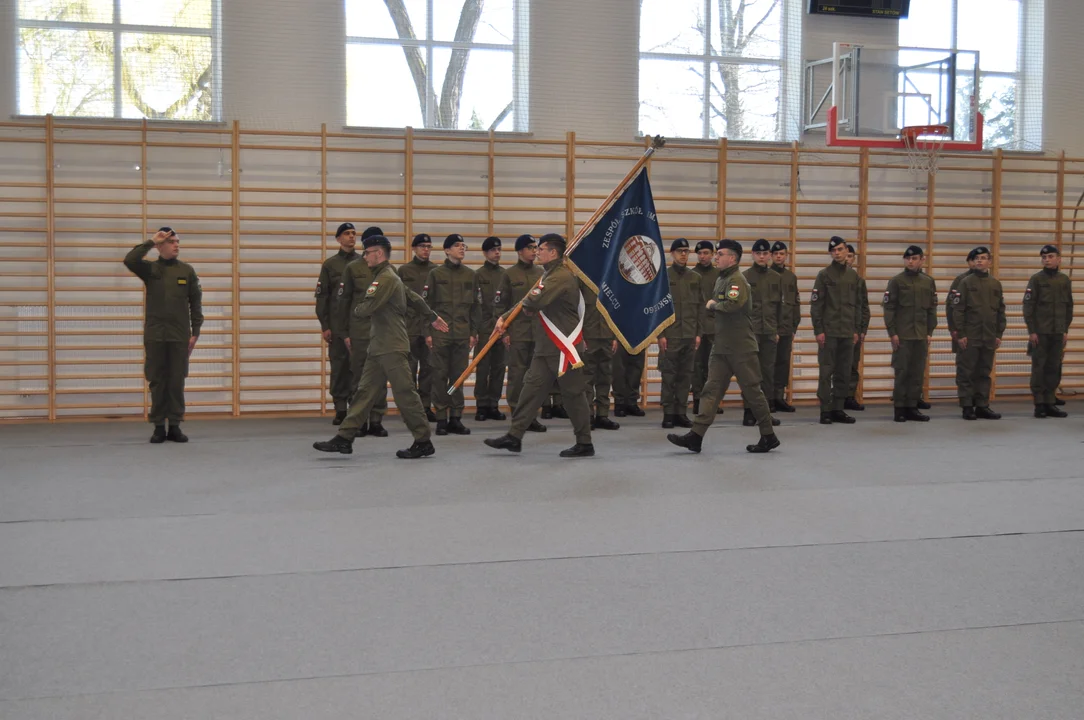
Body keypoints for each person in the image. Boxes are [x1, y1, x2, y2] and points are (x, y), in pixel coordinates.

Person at [313, 235, 449, 458]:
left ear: (378, 253)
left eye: (367, 252)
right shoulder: (390, 274)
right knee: (364, 392)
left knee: (405, 394)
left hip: (392, 346)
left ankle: (423, 440)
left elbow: (364, 309)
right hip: (380, 346)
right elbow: (413, 296)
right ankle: (344, 438)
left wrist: (359, 307)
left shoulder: (385, 278)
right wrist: (432, 315)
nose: (364, 257)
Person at [484, 234, 594, 457]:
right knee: (530, 391)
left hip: (564, 348)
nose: (537, 252)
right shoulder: (549, 274)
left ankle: (585, 443)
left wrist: (529, 306)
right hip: (546, 347)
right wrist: (505, 317)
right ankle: (515, 436)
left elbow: (534, 301)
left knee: (573, 396)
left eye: (541, 249)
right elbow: (529, 300)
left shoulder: (560, 276)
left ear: (553, 252)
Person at [668, 239, 780, 454]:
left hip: (741, 348)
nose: (716, 257)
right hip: (722, 347)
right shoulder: (723, 279)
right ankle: (696, 435)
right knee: (710, 391)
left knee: (753, 392)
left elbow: (733, 304)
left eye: (720, 254)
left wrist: (713, 305)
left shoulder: (737, 279)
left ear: (733, 258)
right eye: (716, 254)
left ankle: (768, 435)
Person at [124, 227, 203, 443]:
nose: (176, 245)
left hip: (179, 336)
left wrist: (195, 332)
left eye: (178, 242)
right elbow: (129, 260)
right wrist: (151, 240)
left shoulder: (186, 271)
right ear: (160, 246)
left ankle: (175, 425)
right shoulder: (150, 270)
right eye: (172, 242)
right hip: (155, 335)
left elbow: (196, 304)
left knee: (176, 381)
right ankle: (159, 426)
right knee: (157, 381)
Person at [335, 225, 390, 437]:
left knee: (379, 377)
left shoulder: (389, 270)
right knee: (359, 379)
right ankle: (359, 421)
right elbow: (343, 302)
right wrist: (345, 333)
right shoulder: (353, 268)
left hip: (383, 333)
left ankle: (376, 419)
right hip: (359, 332)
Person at [426, 233, 479, 435]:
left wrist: (473, 332)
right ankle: (441, 417)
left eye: (463, 245)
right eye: (457, 245)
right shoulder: (435, 274)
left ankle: (455, 417)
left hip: (462, 334)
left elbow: (476, 306)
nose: (462, 248)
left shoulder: (470, 275)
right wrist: (427, 333)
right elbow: (427, 306)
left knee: (458, 377)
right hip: (441, 334)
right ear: (447, 250)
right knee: (439, 376)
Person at [496, 234, 547, 432]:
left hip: (539, 333)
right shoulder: (509, 275)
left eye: (536, 247)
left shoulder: (542, 273)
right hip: (517, 334)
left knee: (535, 377)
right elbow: (500, 307)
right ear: (519, 251)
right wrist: (504, 333)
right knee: (517, 376)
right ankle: (518, 415)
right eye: (530, 248)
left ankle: (531, 416)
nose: (534, 251)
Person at [811, 236, 862, 424]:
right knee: (826, 372)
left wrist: (856, 329)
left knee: (844, 372)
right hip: (829, 332)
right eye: (834, 251)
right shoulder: (824, 275)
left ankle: (838, 408)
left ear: (847, 250)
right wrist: (819, 330)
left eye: (840, 249)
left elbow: (857, 305)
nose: (837, 253)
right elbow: (816, 306)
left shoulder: (853, 276)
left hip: (847, 332)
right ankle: (825, 409)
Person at [883, 246, 937, 422]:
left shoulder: (928, 281)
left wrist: (929, 331)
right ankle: (899, 408)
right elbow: (889, 309)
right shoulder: (896, 281)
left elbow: (931, 309)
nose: (911, 262)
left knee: (917, 373)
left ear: (922, 260)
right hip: (903, 335)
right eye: (908, 259)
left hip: (921, 335)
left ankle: (912, 407)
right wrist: (893, 333)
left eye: (914, 258)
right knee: (902, 372)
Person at [954, 246, 1006, 420]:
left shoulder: (995, 284)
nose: (979, 260)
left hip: (989, 335)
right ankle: (967, 406)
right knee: (967, 372)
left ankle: (982, 405)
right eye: (977, 258)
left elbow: (1000, 311)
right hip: (971, 335)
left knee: (984, 372)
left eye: (983, 258)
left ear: (989, 262)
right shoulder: (966, 282)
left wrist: (999, 333)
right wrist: (960, 334)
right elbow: (958, 310)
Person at [315, 222, 359, 424]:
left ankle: (356, 408)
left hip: (359, 326)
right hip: (337, 326)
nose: (351, 237)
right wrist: (325, 326)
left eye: (353, 233)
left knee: (357, 368)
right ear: (338, 239)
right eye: (347, 234)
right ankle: (340, 408)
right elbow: (322, 297)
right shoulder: (330, 265)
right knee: (340, 367)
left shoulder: (363, 263)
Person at [1023, 244, 1073, 418]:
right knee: (1039, 367)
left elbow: (1068, 306)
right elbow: (1028, 306)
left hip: (1058, 331)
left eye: (1051, 256)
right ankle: (1039, 404)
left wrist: (1065, 329)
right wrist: (1032, 331)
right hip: (1041, 332)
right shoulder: (1036, 279)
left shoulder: (1064, 280)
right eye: (1044, 257)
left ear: (1059, 259)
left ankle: (1050, 402)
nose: (1047, 260)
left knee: (1054, 367)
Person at [659, 238, 701, 429]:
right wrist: (660, 335)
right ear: (672, 253)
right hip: (671, 335)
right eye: (679, 251)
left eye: (686, 251)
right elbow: (658, 309)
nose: (683, 254)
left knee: (686, 376)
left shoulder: (695, 278)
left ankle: (681, 412)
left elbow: (700, 308)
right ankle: (668, 413)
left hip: (690, 334)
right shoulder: (663, 277)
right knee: (669, 376)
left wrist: (698, 333)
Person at [742, 239, 783, 426]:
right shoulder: (744, 277)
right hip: (750, 333)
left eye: (765, 253)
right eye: (758, 253)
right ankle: (749, 412)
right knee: (750, 374)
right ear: (752, 255)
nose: (761, 256)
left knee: (767, 374)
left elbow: (779, 308)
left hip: (769, 333)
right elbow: (739, 308)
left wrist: (777, 330)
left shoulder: (776, 278)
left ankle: (765, 414)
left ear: (769, 255)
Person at [397, 233, 437, 421]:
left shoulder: (437, 271)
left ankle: (426, 407)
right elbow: (397, 300)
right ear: (414, 248)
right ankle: (410, 410)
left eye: (428, 246)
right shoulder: (404, 271)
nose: (426, 249)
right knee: (409, 371)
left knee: (429, 369)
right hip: (409, 327)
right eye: (422, 246)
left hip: (429, 328)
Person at [473, 236, 509, 421]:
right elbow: (475, 304)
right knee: (483, 368)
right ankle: (481, 405)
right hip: (484, 328)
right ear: (485, 253)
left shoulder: (505, 274)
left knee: (498, 368)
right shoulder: (478, 275)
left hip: (501, 329)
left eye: (499, 249)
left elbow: (508, 303)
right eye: (494, 250)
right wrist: (476, 330)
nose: (497, 252)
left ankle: (493, 404)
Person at [578, 276, 620, 430]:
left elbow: (616, 309)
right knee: (587, 378)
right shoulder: (582, 279)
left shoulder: (610, 279)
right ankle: (588, 415)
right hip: (588, 335)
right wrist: (579, 335)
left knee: (605, 377)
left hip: (607, 336)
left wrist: (615, 336)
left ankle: (602, 415)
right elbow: (576, 309)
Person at [690, 240, 720, 415]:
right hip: (697, 327)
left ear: (713, 254)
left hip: (716, 328)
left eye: (706, 253)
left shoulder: (720, 275)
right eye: (700, 253)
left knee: (715, 367)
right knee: (697, 366)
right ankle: (697, 400)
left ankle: (712, 402)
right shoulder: (691, 274)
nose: (703, 256)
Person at [770, 241, 800, 412]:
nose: (779, 256)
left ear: (786, 255)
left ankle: (779, 396)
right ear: (771, 256)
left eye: (782, 253)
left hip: (787, 327)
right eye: (776, 254)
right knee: (769, 364)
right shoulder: (767, 275)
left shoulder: (791, 277)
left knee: (783, 363)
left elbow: (795, 302)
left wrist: (794, 325)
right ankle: (768, 399)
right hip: (770, 328)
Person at [945, 250, 978, 397]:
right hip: (964, 331)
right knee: (965, 367)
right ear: (969, 262)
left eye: (982, 258)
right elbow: (951, 306)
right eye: (973, 259)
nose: (977, 262)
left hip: (983, 333)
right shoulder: (960, 280)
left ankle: (980, 402)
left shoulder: (991, 281)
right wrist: (954, 330)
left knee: (981, 369)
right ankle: (966, 401)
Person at [844, 243, 871, 411]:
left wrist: (862, 330)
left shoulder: (859, 281)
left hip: (854, 331)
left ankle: (849, 396)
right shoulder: (830, 278)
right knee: (837, 366)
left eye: (850, 256)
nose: (847, 259)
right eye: (845, 256)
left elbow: (864, 307)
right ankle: (837, 397)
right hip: (838, 331)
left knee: (853, 366)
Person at [612, 346, 646, 417]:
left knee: (636, 369)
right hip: (619, 338)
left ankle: (631, 403)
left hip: (638, 338)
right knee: (619, 370)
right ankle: (620, 403)